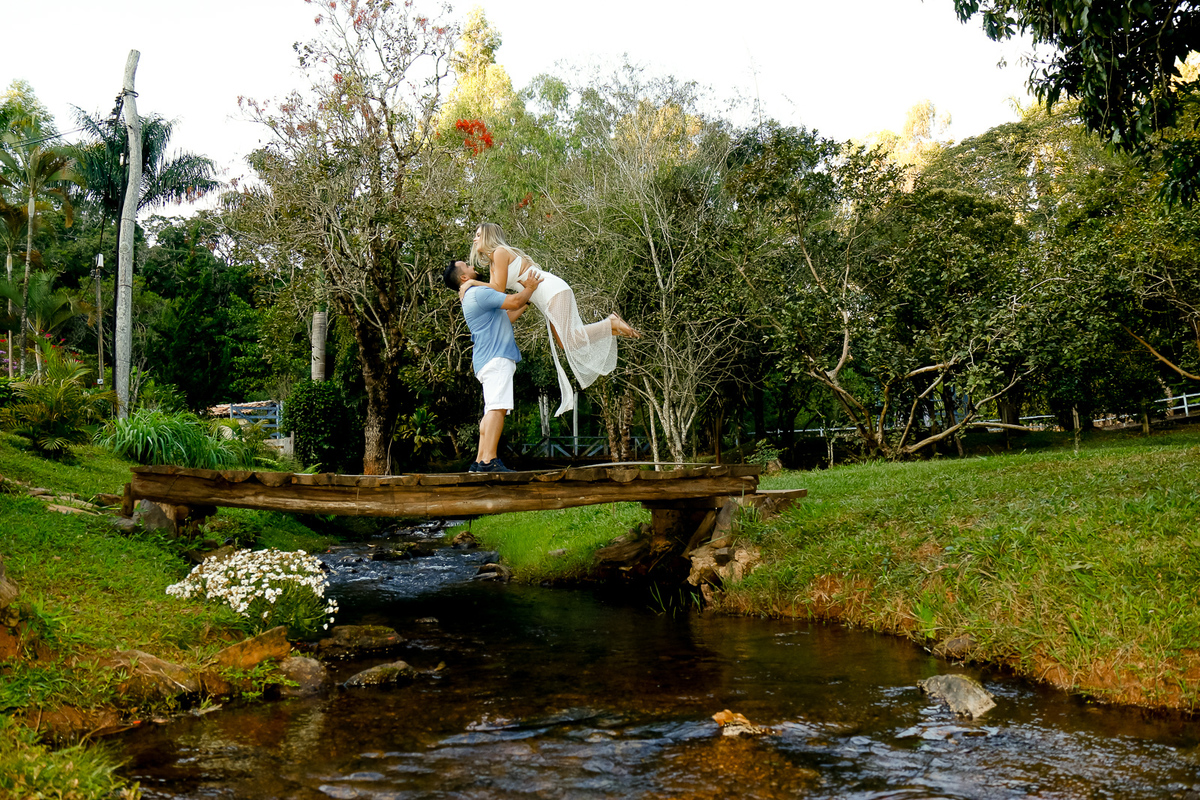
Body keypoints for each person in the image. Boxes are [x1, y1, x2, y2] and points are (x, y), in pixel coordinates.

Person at [462, 222, 640, 417]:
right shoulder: (493, 261)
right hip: (546, 299)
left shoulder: (499, 252)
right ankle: (610, 327)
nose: (475, 238)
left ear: (489, 236)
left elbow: (497, 290)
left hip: (553, 291)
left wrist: (471, 282)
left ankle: (611, 323)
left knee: (570, 339)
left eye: (478, 234)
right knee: (565, 343)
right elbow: (496, 288)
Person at [443, 258, 543, 473]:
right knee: (497, 408)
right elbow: (514, 301)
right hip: (496, 358)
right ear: (464, 277)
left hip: (487, 358)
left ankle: (479, 460)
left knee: (492, 409)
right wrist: (531, 288)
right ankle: (489, 460)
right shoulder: (479, 293)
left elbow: (508, 316)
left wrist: (527, 299)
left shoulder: (473, 294)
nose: (472, 265)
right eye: (467, 266)